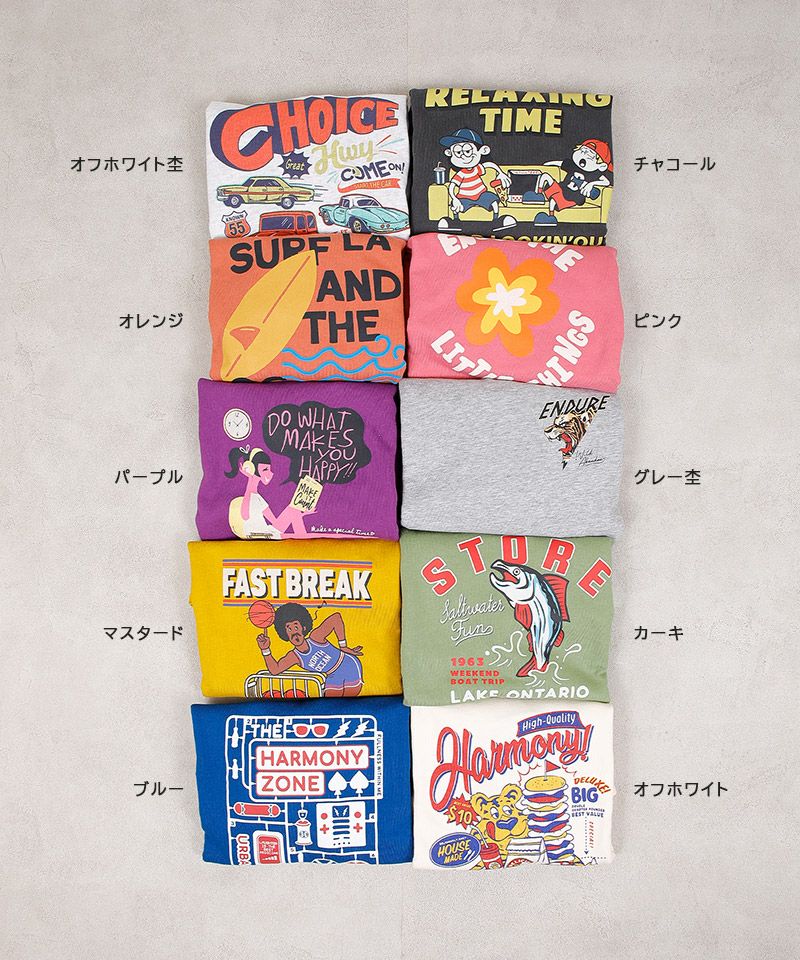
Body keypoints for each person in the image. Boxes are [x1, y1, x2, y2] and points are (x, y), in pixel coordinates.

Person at [256, 603, 364, 697]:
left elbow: (336, 618)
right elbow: (275, 670)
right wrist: (265, 649)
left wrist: (343, 646)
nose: (294, 632)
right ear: (285, 634)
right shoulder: (294, 657)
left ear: (303, 628)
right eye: (289, 629)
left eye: (296, 627)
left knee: (348, 703)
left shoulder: (315, 637)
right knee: (331, 707)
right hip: (332, 675)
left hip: (348, 665)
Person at [437, 128, 515, 230]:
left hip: (481, 195)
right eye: (458, 152)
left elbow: (489, 164)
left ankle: (496, 221)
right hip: (465, 197)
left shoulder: (477, 169)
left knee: (494, 201)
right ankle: (455, 222)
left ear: (482, 151)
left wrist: (501, 173)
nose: (463, 156)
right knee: (455, 206)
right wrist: (455, 199)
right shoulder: (460, 174)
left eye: (467, 151)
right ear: (449, 153)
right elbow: (452, 186)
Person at [225, 446, 310, 538]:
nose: (270, 473)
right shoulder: (251, 495)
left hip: (267, 531)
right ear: (252, 469)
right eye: (265, 469)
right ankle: (303, 535)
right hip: (261, 534)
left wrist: (299, 515)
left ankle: (302, 533)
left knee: (293, 509)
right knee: (303, 533)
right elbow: (245, 516)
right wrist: (250, 478)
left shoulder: (258, 497)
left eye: (269, 469)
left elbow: (275, 522)